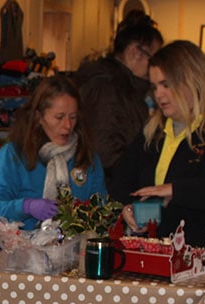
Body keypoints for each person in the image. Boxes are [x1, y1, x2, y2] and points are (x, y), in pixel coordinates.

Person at [111, 40, 205, 297]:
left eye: (166, 85)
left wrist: (177, 190)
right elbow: (121, 182)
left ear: (193, 80)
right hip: (156, 273)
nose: (158, 94)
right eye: (155, 86)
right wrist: (128, 208)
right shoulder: (153, 134)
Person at [0, 75, 107, 230]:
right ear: (38, 117)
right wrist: (25, 207)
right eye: (59, 117)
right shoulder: (14, 156)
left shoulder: (87, 157)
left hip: (74, 249)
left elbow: (102, 209)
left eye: (73, 117)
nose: (67, 125)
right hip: (24, 249)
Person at [74, 10, 163, 181]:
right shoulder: (106, 88)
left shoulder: (126, 88)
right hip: (107, 191)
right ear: (134, 53)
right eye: (155, 59)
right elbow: (104, 152)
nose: (157, 67)